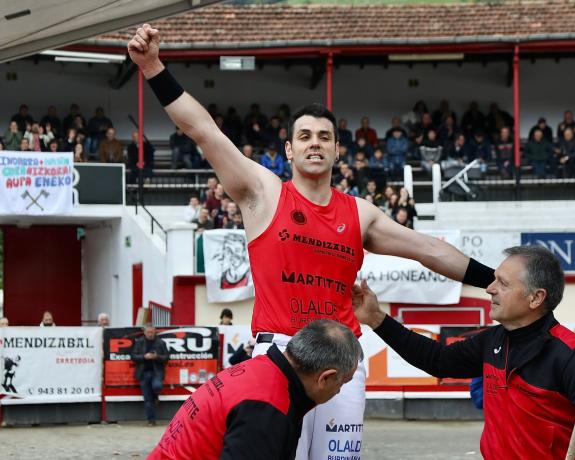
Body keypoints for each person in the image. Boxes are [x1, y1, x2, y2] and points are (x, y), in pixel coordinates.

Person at [128, 24, 495, 460]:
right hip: (279, 355)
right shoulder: (262, 193)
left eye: (324, 137)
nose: (314, 144)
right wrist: (153, 67)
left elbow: (430, 249)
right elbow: (204, 131)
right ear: (288, 150)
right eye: (304, 136)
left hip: (342, 362)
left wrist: (495, 280)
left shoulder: (360, 213)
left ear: (338, 150)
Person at [352, 245, 575, 459]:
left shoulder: (572, 355)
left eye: (503, 283)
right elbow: (439, 360)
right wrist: (377, 318)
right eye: (494, 280)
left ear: (536, 298)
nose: (489, 289)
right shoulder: (493, 340)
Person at [149, 320, 361, 459]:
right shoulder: (266, 411)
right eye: (342, 382)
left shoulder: (263, 369)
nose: (339, 391)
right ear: (326, 377)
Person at [132, 323, 169, 426]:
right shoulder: (139, 342)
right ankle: (151, 421)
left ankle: (156, 396)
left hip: (157, 372)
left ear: (155, 331)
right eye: (148, 332)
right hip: (143, 373)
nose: (150, 334)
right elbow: (133, 356)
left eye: (152, 332)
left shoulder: (161, 342)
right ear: (144, 332)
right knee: (147, 399)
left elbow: (166, 357)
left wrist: (156, 357)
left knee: (157, 386)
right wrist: (144, 357)